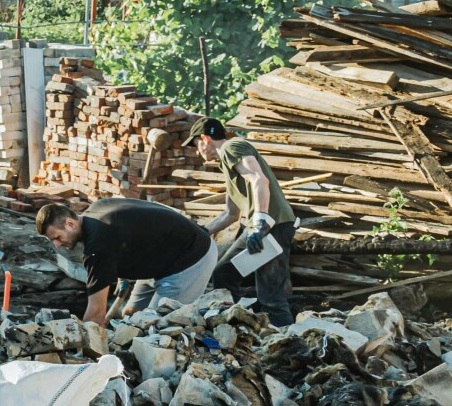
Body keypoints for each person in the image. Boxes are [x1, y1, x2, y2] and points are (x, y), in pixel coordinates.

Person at [36, 199, 219, 326]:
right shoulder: (97, 207)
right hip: (161, 253)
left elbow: (96, 313)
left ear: (70, 223)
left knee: (155, 329)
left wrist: (82, 351)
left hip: (191, 257)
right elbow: (131, 228)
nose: (57, 245)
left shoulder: (97, 247)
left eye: (57, 237)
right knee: (130, 315)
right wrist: (121, 275)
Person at [187, 117, 297, 327]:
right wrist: (200, 233)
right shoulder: (227, 164)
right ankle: (236, 328)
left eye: (195, 145)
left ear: (205, 139)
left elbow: (259, 179)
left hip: (271, 226)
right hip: (261, 226)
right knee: (224, 276)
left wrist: (260, 224)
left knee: (270, 296)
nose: (196, 151)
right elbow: (230, 214)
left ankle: (289, 346)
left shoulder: (232, 146)